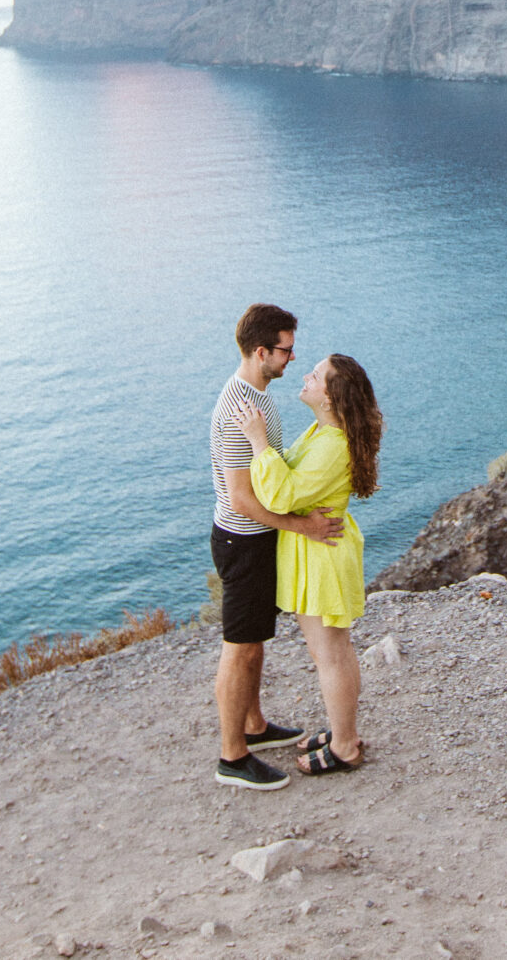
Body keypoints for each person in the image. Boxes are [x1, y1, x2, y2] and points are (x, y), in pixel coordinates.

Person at [210, 303, 343, 791]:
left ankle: (254, 726)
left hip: (257, 538)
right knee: (241, 649)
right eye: (286, 350)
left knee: (254, 642)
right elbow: (242, 500)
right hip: (243, 541)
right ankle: (232, 756)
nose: (293, 358)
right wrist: (304, 526)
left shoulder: (259, 398)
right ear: (261, 352)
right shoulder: (239, 410)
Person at [232, 351, 381, 775]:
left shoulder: (332, 445)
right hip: (316, 553)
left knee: (330, 654)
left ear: (330, 398)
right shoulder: (323, 430)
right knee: (331, 650)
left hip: (322, 559)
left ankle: (345, 746)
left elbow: (281, 495)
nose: (305, 377)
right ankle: (342, 731)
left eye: (315, 376)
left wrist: (258, 440)